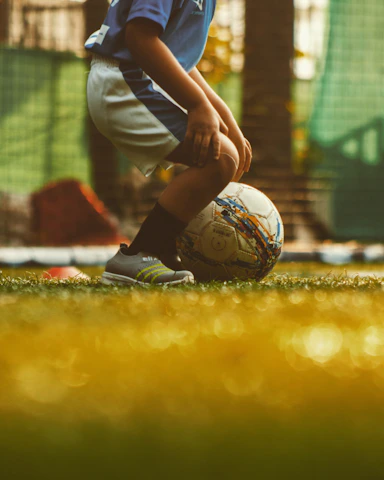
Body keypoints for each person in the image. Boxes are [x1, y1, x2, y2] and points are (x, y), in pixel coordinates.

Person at [85, 0, 252, 285]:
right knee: (221, 158)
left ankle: (161, 253)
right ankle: (140, 253)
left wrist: (227, 119)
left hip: (135, 79)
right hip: (124, 82)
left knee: (226, 155)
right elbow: (140, 37)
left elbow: (178, 59)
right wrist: (196, 103)